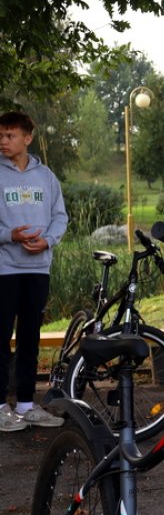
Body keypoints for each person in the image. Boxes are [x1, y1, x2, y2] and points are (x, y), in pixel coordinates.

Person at [0, 111, 67, 432]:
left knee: (30, 337)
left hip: (38, 269)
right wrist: (9, 235)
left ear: (27, 138)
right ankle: (1, 407)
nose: (3, 141)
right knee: (1, 338)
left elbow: (60, 216)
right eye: (0, 136)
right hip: (4, 270)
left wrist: (48, 241)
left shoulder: (46, 177)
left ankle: (26, 405)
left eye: (10, 135)